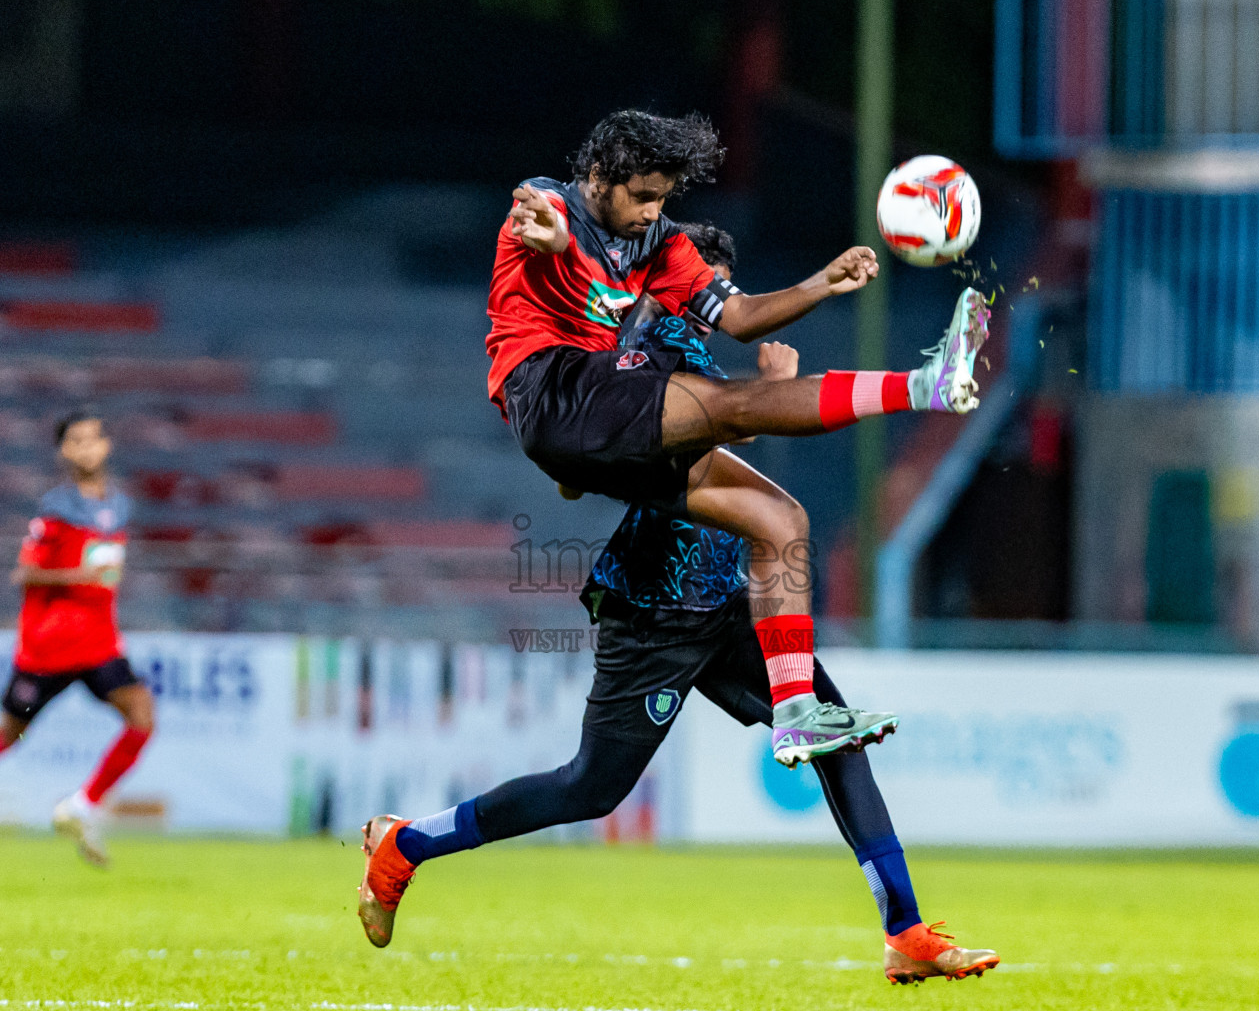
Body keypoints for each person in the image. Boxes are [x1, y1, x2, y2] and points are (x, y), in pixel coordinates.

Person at [358, 225, 999, 984]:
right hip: (656, 607)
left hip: (730, 598)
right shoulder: (642, 340)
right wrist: (760, 397)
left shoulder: (673, 350)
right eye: (701, 287)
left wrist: (750, 404)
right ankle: (409, 845)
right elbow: (611, 458)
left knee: (835, 737)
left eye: (715, 289)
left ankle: (906, 929)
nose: (707, 301)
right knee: (589, 788)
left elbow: (687, 445)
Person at [487, 109, 989, 767]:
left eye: (663, 197)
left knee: (779, 518)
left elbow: (741, 317)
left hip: (594, 421)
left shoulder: (661, 245)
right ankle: (925, 385)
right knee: (736, 405)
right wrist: (553, 239)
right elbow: (547, 228)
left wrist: (820, 284)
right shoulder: (549, 201)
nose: (651, 212)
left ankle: (796, 712)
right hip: (551, 386)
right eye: (642, 196)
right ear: (600, 177)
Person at [0, 410, 154, 872]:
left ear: (107, 445)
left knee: (141, 715)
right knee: (7, 734)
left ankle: (81, 807)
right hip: (50, 649)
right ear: (64, 452)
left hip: (99, 644)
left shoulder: (117, 506)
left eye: (94, 438)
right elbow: (24, 573)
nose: (87, 447)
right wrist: (77, 575)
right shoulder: (55, 511)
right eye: (76, 441)